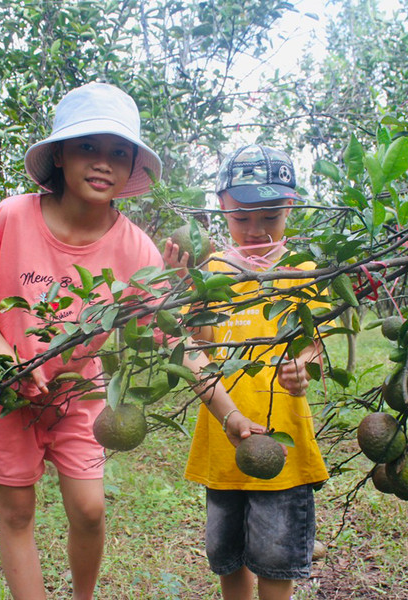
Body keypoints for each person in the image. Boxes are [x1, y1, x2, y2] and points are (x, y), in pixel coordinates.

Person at [0, 83, 263, 600]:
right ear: (62, 155)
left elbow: (174, 342)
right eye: (88, 146)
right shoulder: (11, 217)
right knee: (17, 511)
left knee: (90, 510)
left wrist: (231, 416)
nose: (103, 163)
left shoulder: (134, 246)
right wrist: (10, 365)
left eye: (119, 152)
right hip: (5, 394)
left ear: (132, 165)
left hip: (81, 398)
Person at [163, 145, 330, 600]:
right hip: (222, 441)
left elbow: (317, 345)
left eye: (269, 216)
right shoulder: (212, 272)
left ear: (290, 207)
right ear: (223, 209)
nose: (255, 230)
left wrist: (304, 366)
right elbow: (195, 347)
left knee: (278, 558)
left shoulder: (305, 271)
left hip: (283, 448)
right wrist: (181, 289)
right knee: (227, 554)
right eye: (241, 219)